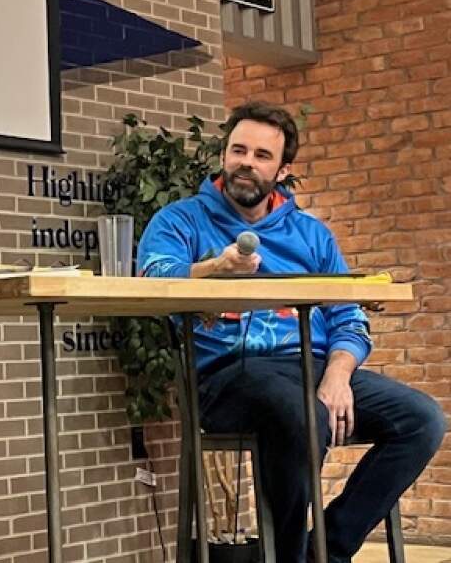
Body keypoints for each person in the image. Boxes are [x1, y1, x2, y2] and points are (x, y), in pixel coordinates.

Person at [136, 101, 446, 563]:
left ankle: (325, 549)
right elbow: (153, 279)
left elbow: (348, 319)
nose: (246, 162)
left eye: (262, 155)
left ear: (282, 170)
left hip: (311, 365)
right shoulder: (181, 220)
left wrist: (338, 375)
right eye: (238, 150)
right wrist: (215, 268)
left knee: (423, 419)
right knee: (303, 414)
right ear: (223, 156)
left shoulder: (311, 235)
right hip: (225, 376)